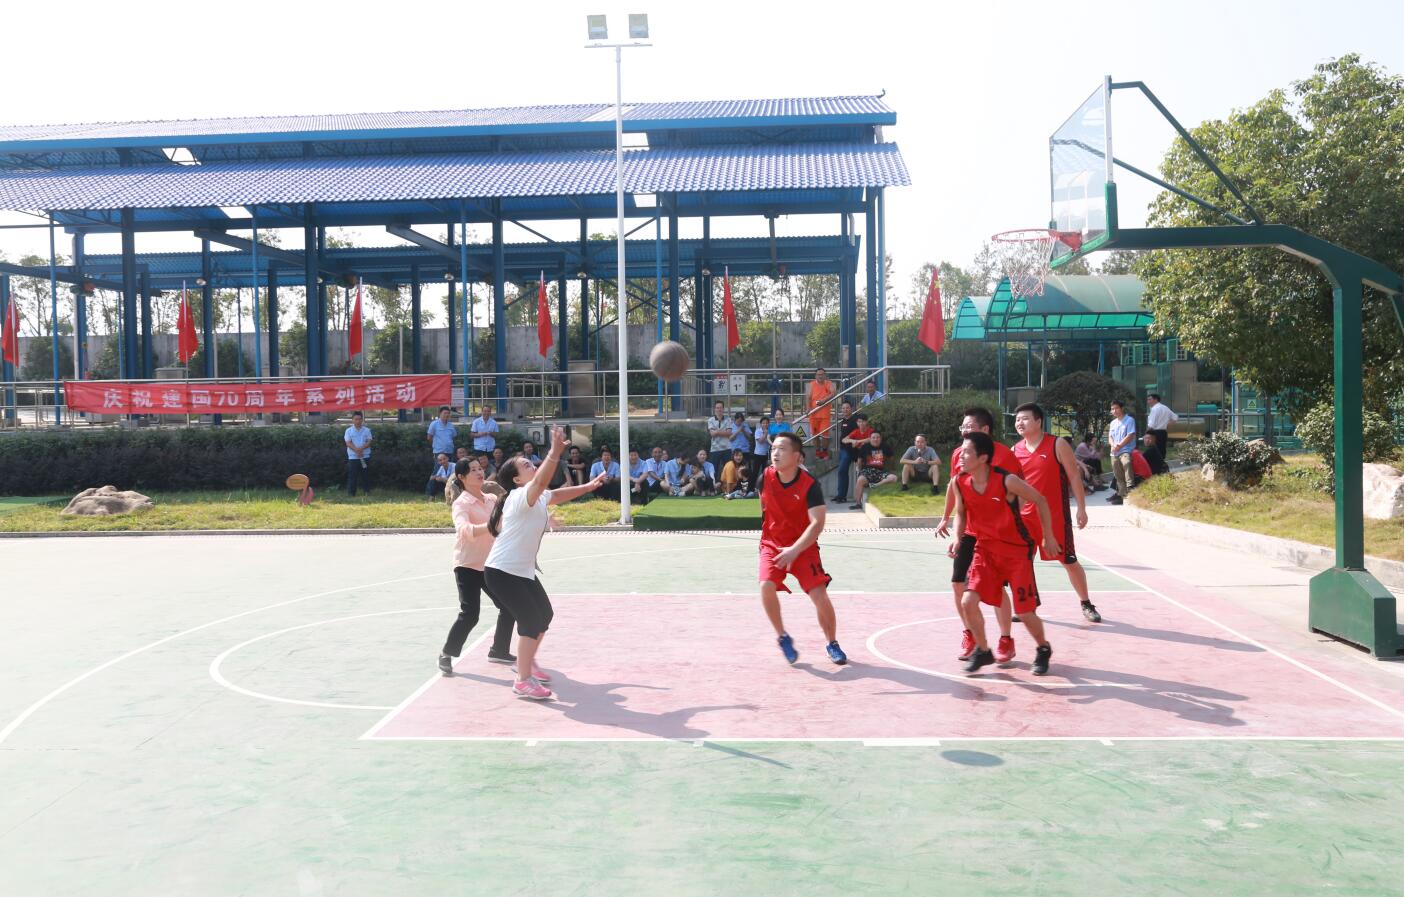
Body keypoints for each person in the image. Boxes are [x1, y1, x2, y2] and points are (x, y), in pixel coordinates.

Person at [484, 427, 608, 699]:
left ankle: (526, 662)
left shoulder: (537, 495)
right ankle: (522, 680)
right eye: (526, 465)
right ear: (517, 479)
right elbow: (541, 483)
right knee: (530, 621)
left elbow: (557, 495)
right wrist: (554, 452)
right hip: (502, 571)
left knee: (544, 616)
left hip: (521, 571)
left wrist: (588, 487)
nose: (532, 465)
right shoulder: (519, 496)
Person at [947, 431, 1060, 676]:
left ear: (983, 458)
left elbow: (1040, 500)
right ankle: (983, 650)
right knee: (967, 601)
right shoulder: (959, 482)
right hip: (985, 550)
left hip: (1016, 552)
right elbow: (961, 513)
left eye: (966, 452)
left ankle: (1043, 648)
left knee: (1024, 612)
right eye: (960, 451)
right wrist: (957, 537)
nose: (960, 456)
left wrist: (1048, 536)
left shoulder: (1007, 481)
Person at [937, 407, 1023, 661]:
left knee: (996, 587)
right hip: (970, 530)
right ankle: (970, 634)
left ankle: (1006, 639)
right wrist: (946, 519)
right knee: (958, 584)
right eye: (962, 426)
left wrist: (1012, 525)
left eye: (969, 426)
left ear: (985, 429)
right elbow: (955, 489)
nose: (964, 431)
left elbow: (1021, 493)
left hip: (997, 534)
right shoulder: (959, 454)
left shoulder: (1005, 456)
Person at [758, 431, 846, 665]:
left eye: (782, 449)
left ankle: (832, 643)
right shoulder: (764, 477)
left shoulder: (810, 485)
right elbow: (763, 508)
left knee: (819, 596)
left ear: (797, 457)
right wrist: (768, 541)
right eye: (773, 448)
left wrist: (794, 550)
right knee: (766, 586)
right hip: (772, 543)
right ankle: (783, 637)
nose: (775, 453)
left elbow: (817, 524)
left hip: (803, 547)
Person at [1013, 402, 1101, 625]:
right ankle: (1028, 605)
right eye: (1017, 420)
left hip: (1055, 517)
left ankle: (1086, 603)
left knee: (1069, 561)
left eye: (1025, 418)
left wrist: (1082, 508)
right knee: (1023, 563)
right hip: (1025, 518)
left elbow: (1074, 476)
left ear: (1038, 421)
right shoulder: (1015, 450)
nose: (1019, 423)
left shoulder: (1057, 444)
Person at [437, 458, 518, 676]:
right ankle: (446, 654)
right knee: (470, 613)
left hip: (491, 565)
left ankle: (499, 650)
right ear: (461, 477)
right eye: (472, 470)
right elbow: (464, 530)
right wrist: (491, 526)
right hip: (467, 565)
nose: (479, 472)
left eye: (480, 468)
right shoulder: (461, 504)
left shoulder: (492, 499)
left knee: (509, 606)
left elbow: (510, 520)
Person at [849, 430, 896, 510]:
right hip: (867, 471)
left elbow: (891, 458)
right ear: (870, 439)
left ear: (880, 438)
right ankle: (858, 503)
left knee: (893, 478)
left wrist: (892, 469)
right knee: (860, 480)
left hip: (880, 472)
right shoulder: (865, 447)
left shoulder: (885, 447)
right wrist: (860, 471)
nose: (875, 439)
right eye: (873, 437)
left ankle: (875, 485)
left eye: (877, 437)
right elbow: (859, 460)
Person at [1107, 399, 1137, 505]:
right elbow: (1110, 437)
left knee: (1126, 463)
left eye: (1116, 408)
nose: (1114, 411)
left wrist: (1119, 445)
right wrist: (1113, 445)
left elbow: (1130, 435)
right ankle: (1122, 495)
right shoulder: (1113, 423)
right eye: (1112, 409)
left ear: (1122, 408)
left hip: (1125, 449)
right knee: (1118, 475)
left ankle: (1131, 487)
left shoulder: (1129, 420)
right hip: (1114, 452)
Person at [805, 368, 836, 460]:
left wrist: (824, 400)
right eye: (818, 374)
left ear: (825, 375)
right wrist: (808, 408)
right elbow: (808, 397)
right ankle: (818, 452)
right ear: (815, 376)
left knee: (825, 435)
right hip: (813, 414)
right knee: (815, 435)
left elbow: (833, 393)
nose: (820, 376)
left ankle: (825, 451)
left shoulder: (828, 383)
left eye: (822, 374)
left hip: (825, 415)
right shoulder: (811, 384)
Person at [832, 400, 859, 504]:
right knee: (841, 472)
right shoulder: (843, 420)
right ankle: (840, 494)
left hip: (850, 451)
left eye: (847, 408)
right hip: (842, 450)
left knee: (842, 471)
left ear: (851, 409)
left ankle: (842, 496)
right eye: (843, 408)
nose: (845, 410)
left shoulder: (855, 420)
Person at [1145, 393, 1178, 472]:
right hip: (1163, 432)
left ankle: (1156, 469)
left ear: (1156, 399)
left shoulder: (1154, 409)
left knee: (1154, 451)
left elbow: (1151, 425)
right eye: (1148, 400)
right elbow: (1175, 418)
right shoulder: (1165, 407)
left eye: (1150, 399)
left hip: (1154, 433)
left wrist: (1146, 434)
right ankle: (1162, 468)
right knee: (1162, 451)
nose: (1148, 401)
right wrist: (1165, 424)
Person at [343, 411, 373, 496]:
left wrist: (361, 449)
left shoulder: (367, 430)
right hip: (353, 457)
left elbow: (369, 442)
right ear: (352, 420)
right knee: (352, 476)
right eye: (356, 419)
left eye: (360, 419)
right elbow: (348, 443)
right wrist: (357, 450)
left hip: (365, 456)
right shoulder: (348, 431)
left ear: (362, 420)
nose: (358, 421)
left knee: (365, 475)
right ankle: (351, 493)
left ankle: (367, 492)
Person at [707, 401, 735, 476]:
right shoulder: (710, 420)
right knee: (713, 471)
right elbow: (712, 434)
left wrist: (717, 432)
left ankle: (727, 484)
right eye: (717, 408)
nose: (719, 409)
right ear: (714, 409)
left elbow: (729, 433)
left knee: (728, 470)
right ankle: (714, 483)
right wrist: (724, 432)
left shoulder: (728, 419)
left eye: (721, 408)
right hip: (715, 449)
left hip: (727, 448)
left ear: (723, 409)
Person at [752, 415, 772, 483]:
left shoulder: (770, 431)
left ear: (768, 424)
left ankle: (763, 486)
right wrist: (765, 434)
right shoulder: (757, 431)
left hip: (766, 455)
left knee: (764, 472)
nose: (765, 424)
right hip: (758, 454)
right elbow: (760, 441)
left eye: (766, 423)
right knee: (755, 472)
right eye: (763, 423)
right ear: (761, 424)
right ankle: (752, 487)